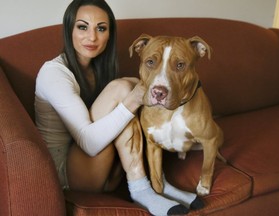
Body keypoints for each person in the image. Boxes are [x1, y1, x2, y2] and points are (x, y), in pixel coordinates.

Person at [35, 0, 203, 215]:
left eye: (101, 28)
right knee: (124, 89)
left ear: (109, 35)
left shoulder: (98, 68)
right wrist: (133, 98)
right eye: (82, 26)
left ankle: (158, 182)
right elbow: (89, 143)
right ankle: (142, 190)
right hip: (66, 175)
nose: (92, 37)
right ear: (69, 29)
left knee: (129, 92)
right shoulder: (54, 73)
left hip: (106, 173)